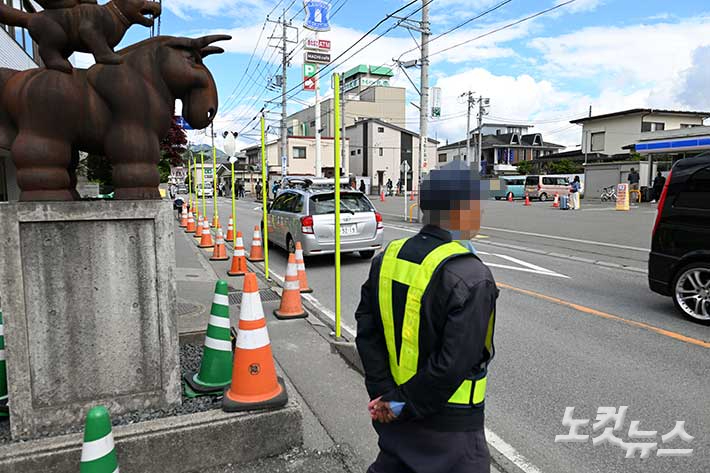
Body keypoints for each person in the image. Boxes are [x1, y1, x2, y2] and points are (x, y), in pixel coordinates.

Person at [356, 160, 498, 473]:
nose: (482, 212)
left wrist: (385, 396)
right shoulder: (472, 275)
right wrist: (398, 404)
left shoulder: (387, 258)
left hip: (394, 420)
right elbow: (452, 366)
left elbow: (367, 330)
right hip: (451, 430)